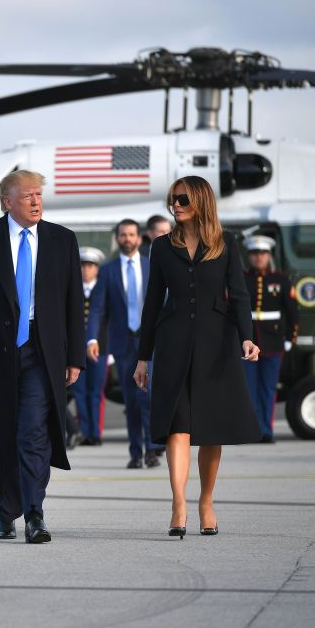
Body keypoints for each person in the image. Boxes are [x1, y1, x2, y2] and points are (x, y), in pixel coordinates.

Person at [0, 169, 84, 544]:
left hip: (42, 349)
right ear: (8, 202)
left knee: (34, 432)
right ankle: (6, 511)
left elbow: (74, 302)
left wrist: (75, 356)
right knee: (1, 435)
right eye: (28, 197)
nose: (37, 202)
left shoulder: (62, 240)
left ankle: (35, 514)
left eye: (39, 195)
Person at [133, 175, 261, 539]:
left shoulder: (226, 243)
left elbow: (238, 295)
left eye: (184, 199)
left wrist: (247, 339)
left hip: (216, 344)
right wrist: (144, 358)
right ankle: (178, 503)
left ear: (201, 201)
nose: (176, 204)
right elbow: (152, 303)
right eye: (173, 198)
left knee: (210, 429)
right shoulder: (160, 247)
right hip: (173, 344)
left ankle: (206, 501)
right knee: (178, 425)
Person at [86, 220, 161, 469]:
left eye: (131, 235)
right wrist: (93, 338)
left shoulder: (153, 267)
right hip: (123, 343)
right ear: (117, 239)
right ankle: (135, 452)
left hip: (149, 340)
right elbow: (97, 308)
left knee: (148, 397)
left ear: (139, 239)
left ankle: (152, 449)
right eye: (123, 235)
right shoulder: (107, 271)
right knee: (131, 400)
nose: (127, 239)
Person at [242, 235, 299, 443]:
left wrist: (290, 338)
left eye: (263, 254)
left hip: (273, 342)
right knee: (249, 389)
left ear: (269, 256)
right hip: (247, 343)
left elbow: (292, 311)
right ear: (249, 256)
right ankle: (252, 430)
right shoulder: (241, 278)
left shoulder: (281, 280)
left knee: (268, 389)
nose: (259, 258)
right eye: (255, 254)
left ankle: (266, 431)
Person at [71, 246, 108, 446]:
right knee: (79, 391)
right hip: (77, 350)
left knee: (96, 392)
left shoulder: (104, 289)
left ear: (97, 269)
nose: (86, 270)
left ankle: (96, 432)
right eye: (83, 266)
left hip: (100, 350)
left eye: (91, 266)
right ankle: (84, 432)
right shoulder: (73, 289)